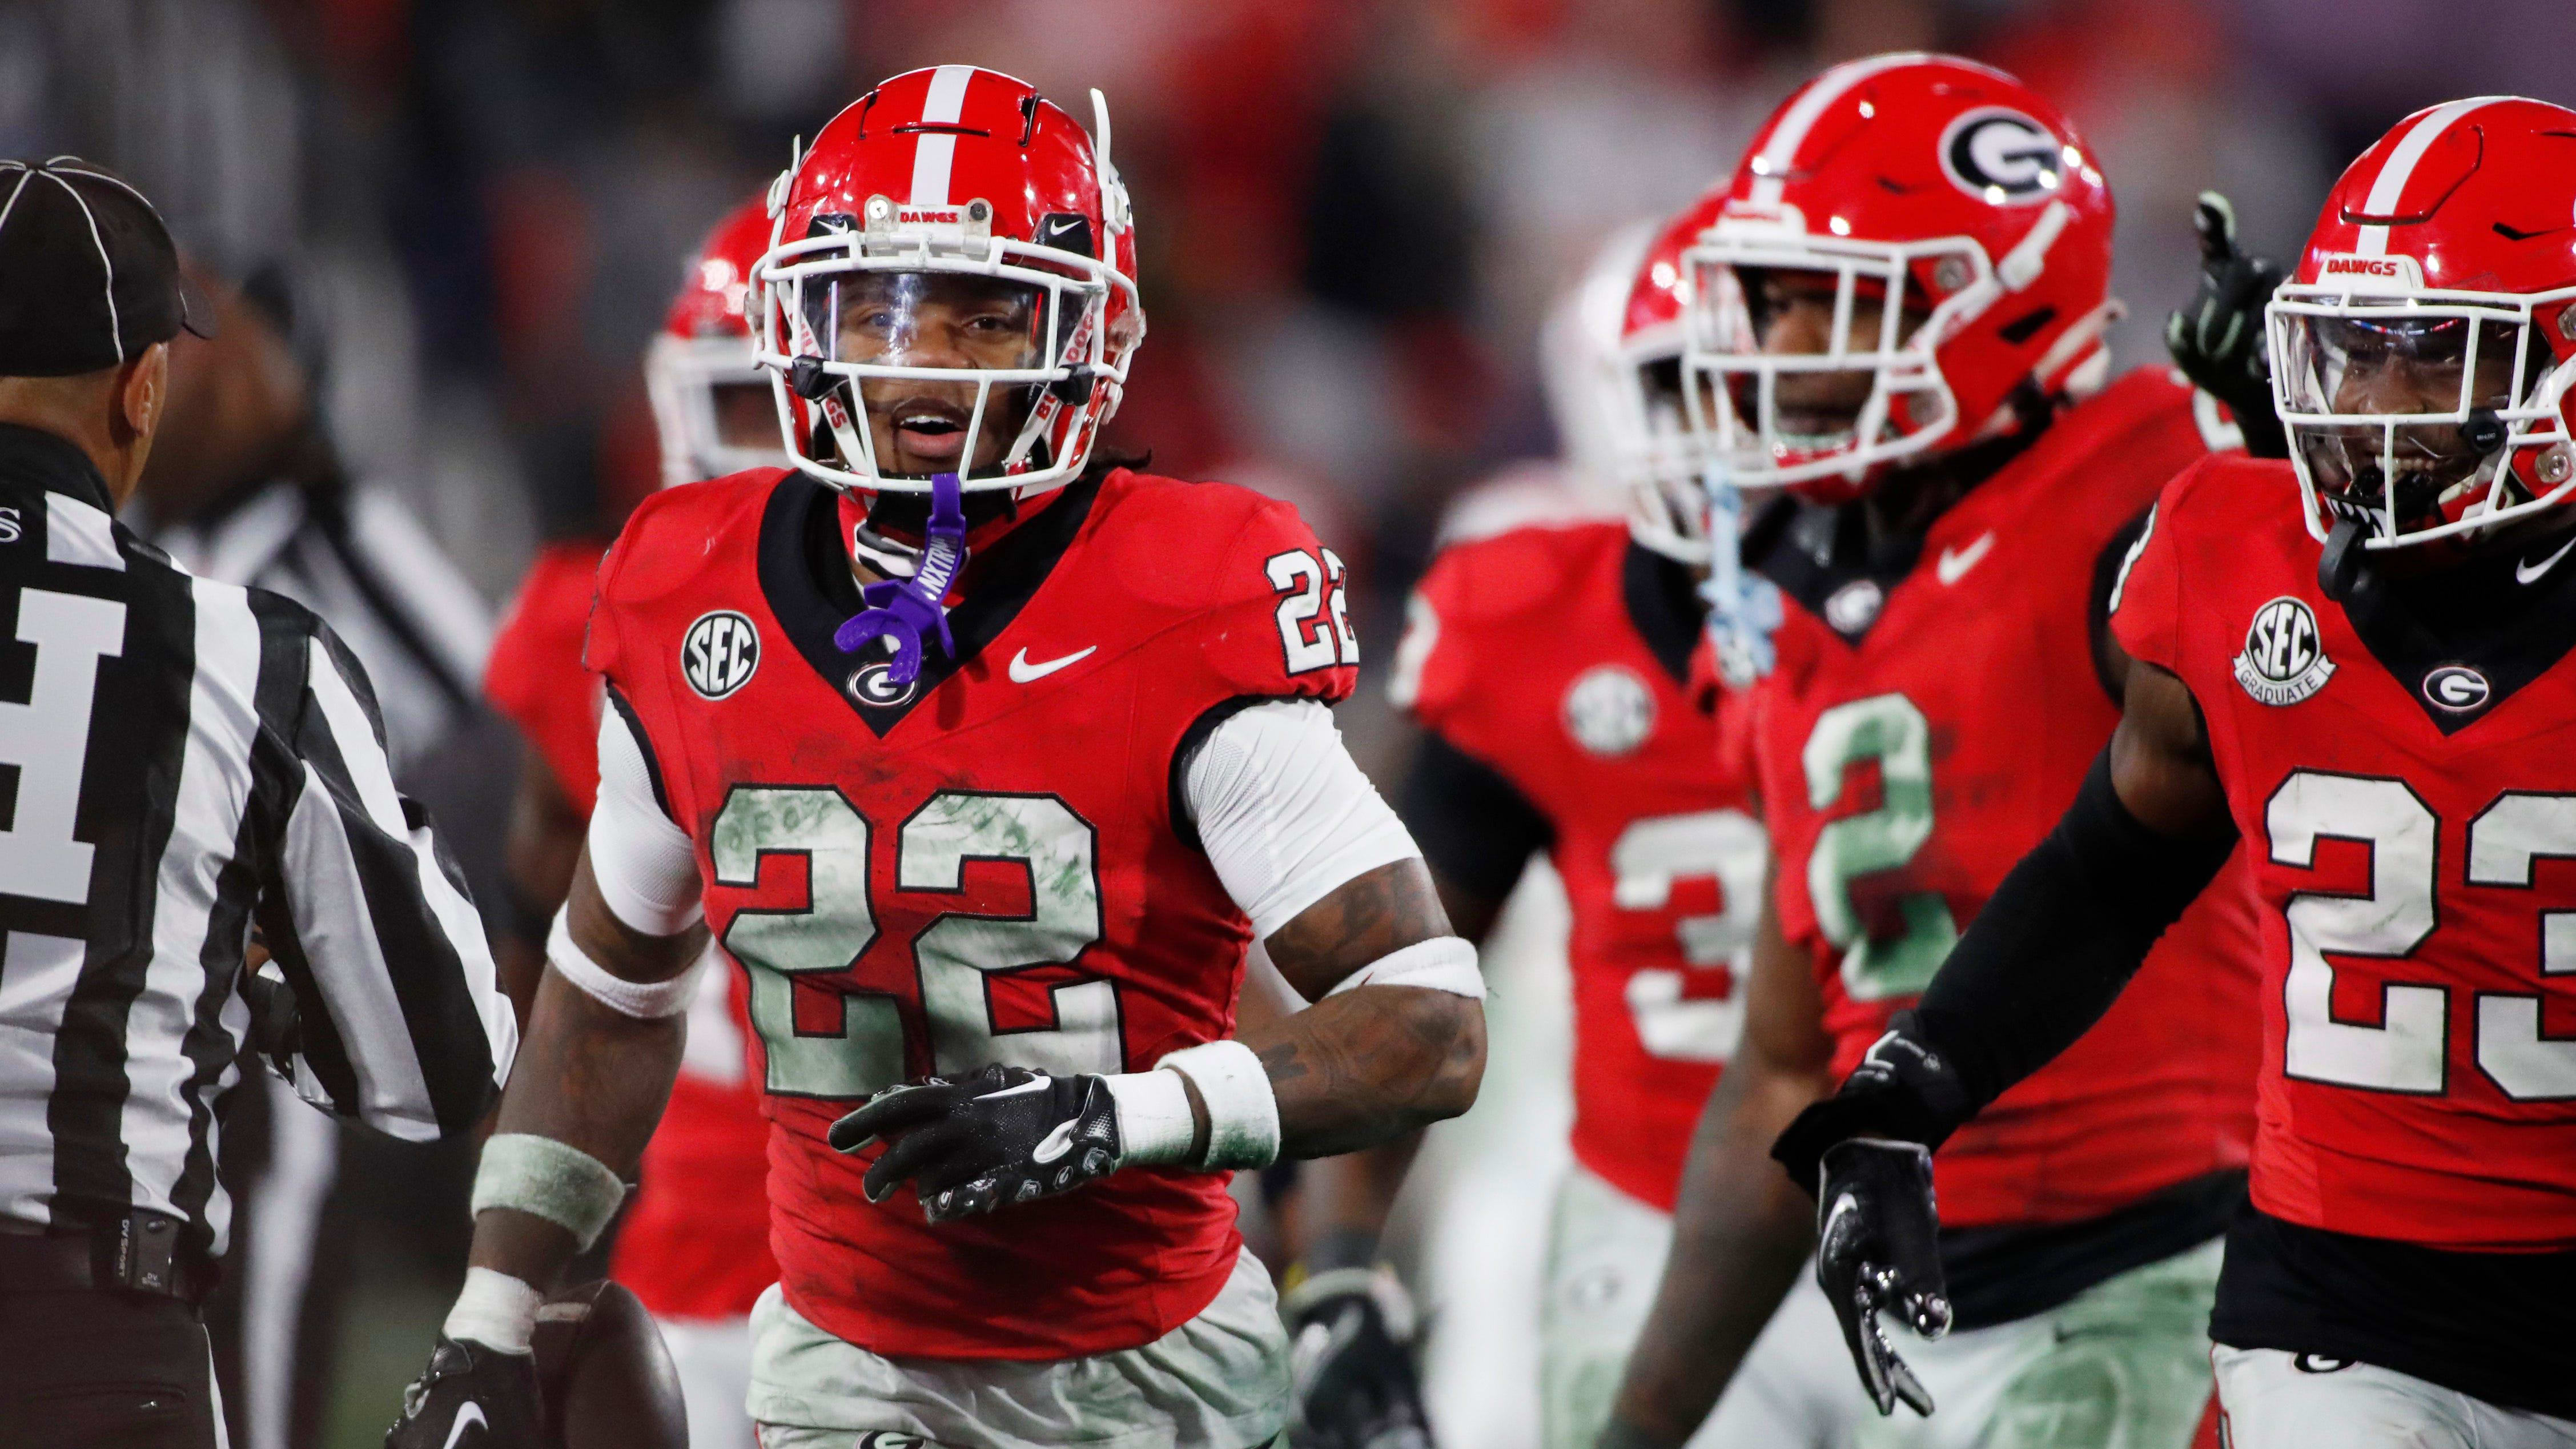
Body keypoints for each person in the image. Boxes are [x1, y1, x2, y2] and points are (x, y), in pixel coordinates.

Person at [385, 66, 1488, 1449]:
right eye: (880, 306)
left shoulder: (1187, 592)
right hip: (839, 1365)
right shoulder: (686, 586)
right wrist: (490, 1317)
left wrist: (1116, 1116)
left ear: (1091, 333)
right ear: (801, 317)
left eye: (989, 313)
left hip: (1148, 1375)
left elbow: (1429, 1018)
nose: (925, 364)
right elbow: (606, 1000)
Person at [1769, 95, 2576, 1449]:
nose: (2362, 411)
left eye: (2424, 362)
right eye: (2346, 356)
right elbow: (2108, 869)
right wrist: (1903, 1101)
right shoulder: (2228, 545)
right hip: (2340, 1314)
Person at [1596, 54, 2264, 1449]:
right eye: (1764, 304)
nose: (1769, 354)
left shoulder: (2144, 497)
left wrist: (2291, 486)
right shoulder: (1790, 587)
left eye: (1816, 306)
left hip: (2152, 1283)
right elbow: (1787, 1065)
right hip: (1907, 1305)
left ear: (1989, 302)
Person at [1283, 225, 1851, 1449]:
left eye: (1753, 379)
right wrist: (1333, 1265)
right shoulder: (1531, 616)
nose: (1722, 432)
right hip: (1653, 1209)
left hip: (1957, 1207)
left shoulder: (1956, 581)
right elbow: (1397, 980)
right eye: (1679, 386)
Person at [0, 156, 513, 1447]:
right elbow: (444, 1058)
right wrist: (254, 978)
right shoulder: (244, 657)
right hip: (87, 1344)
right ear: (144, 390)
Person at [124, 257, 505, 1449]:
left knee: (251, 1395)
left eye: (212, 343)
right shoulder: (130, 547)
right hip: (120, 1064)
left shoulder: (330, 536)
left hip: (271, 1067)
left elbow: (486, 731)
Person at [481, 193, 788, 1449]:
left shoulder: (1014, 641)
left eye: (802, 402)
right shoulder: (608, 625)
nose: (778, 450)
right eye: (745, 404)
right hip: (694, 1279)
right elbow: (533, 976)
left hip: (954, 1277)